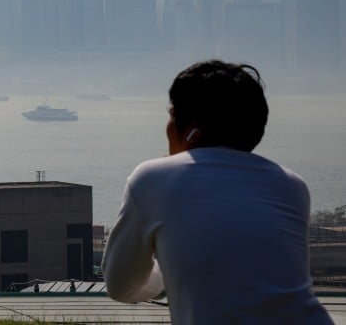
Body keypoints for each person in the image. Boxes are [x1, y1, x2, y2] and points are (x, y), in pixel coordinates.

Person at [103, 60, 331, 323]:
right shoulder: (291, 185)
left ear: (190, 130)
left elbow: (120, 286)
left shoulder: (153, 178)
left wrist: (167, 270)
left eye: (171, 114)